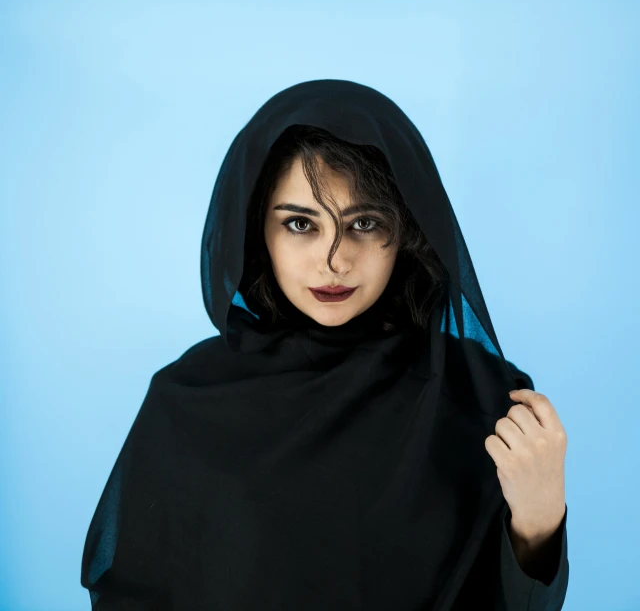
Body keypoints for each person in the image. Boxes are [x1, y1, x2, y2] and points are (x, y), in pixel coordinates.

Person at [80, 79, 569, 610]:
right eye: (299, 224)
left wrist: (540, 521)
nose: (334, 261)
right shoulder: (189, 398)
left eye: (364, 222)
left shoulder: (482, 400)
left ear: (407, 230)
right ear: (255, 231)